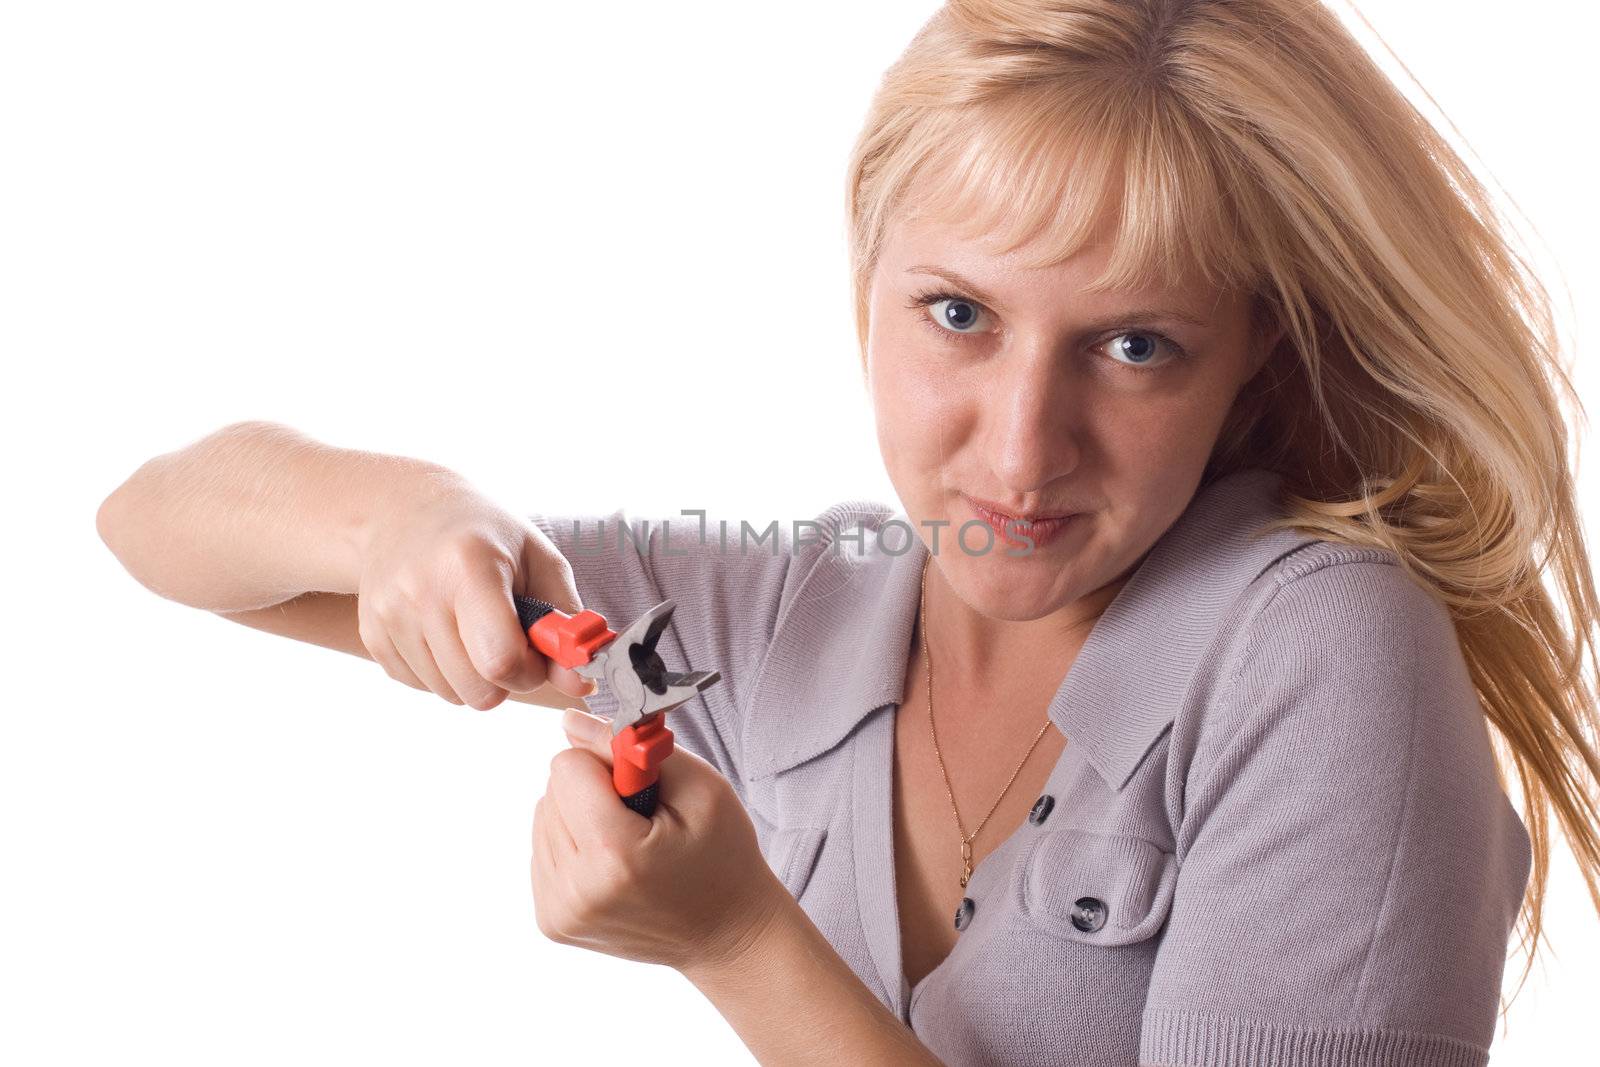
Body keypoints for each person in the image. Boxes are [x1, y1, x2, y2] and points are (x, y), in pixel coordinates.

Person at [96, 1, 1600, 1065]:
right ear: (865, 282)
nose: (1020, 451)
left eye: (1135, 347)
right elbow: (157, 526)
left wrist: (738, 944)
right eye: (959, 315)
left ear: (1255, 354)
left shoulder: (1323, 647)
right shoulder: (787, 610)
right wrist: (414, 516)